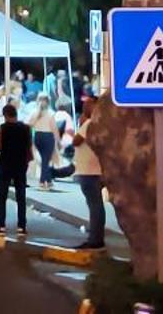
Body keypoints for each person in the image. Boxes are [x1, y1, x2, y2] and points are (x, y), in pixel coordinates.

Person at [0, 103, 33, 237]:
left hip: (5, 164)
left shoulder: (2, 128)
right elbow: (29, 148)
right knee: (21, 196)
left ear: (5, 115)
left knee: (2, 196)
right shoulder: (26, 128)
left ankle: (1, 226)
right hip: (20, 164)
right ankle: (22, 226)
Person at [70, 103, 106, 250]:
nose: (84, 105)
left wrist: (82, 123)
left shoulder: (90, 124)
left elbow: (76, 141)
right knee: (96, 205)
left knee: (94, 206)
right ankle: (97, 236)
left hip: (89, 171)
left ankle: (95, 239)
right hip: (96, 170)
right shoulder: (101, 125)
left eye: (89, 104)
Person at [28, 94, 59, 189]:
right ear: (48, 102)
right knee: (46, 160)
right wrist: (58, 140)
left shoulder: (34, 112)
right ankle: (42, 181)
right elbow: (54, 128)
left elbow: (30, 124)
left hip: (37, 136)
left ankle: (49, 181)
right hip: (48, 136)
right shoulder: (50, 113)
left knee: (44, 159)